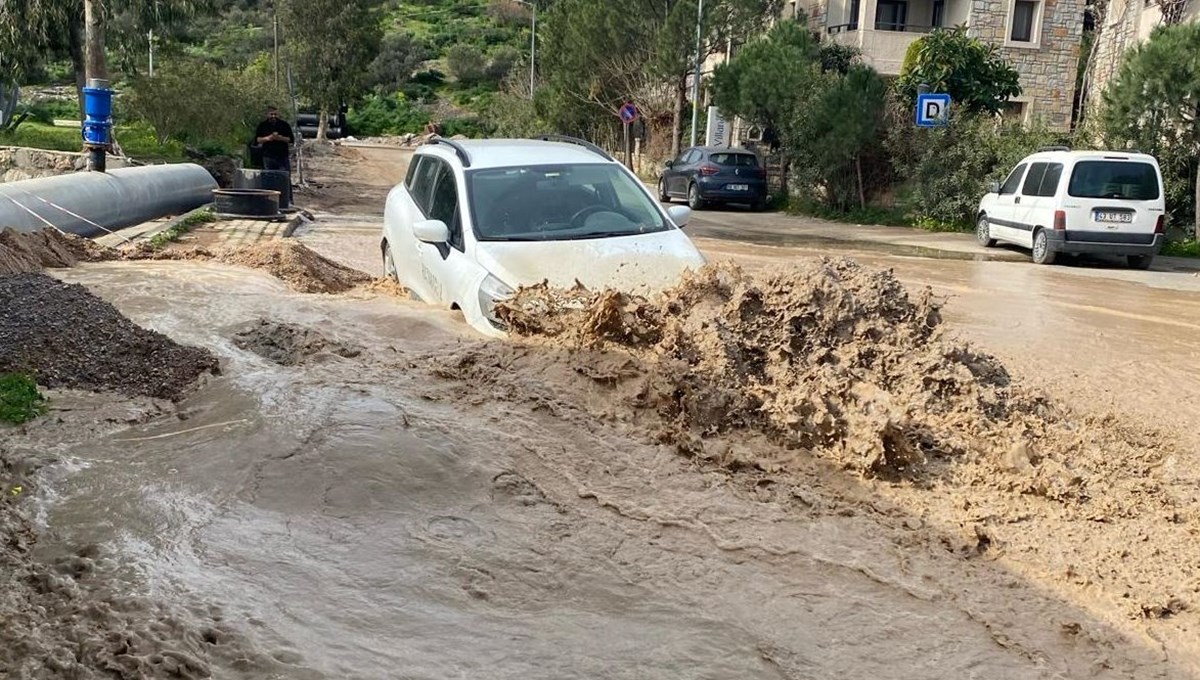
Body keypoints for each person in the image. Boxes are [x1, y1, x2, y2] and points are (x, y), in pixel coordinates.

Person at [254, 106, 294, 172]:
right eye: (271, 114)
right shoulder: (262, 126)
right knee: (269, 177)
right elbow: (258, 140)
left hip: (282, 156)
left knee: (283, 177)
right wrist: (268, 138)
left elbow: (290, 139)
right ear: (267, 114)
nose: (273, 116)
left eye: (275, 114)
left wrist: (280, 138)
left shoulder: (284, 125)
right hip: (268, 156)